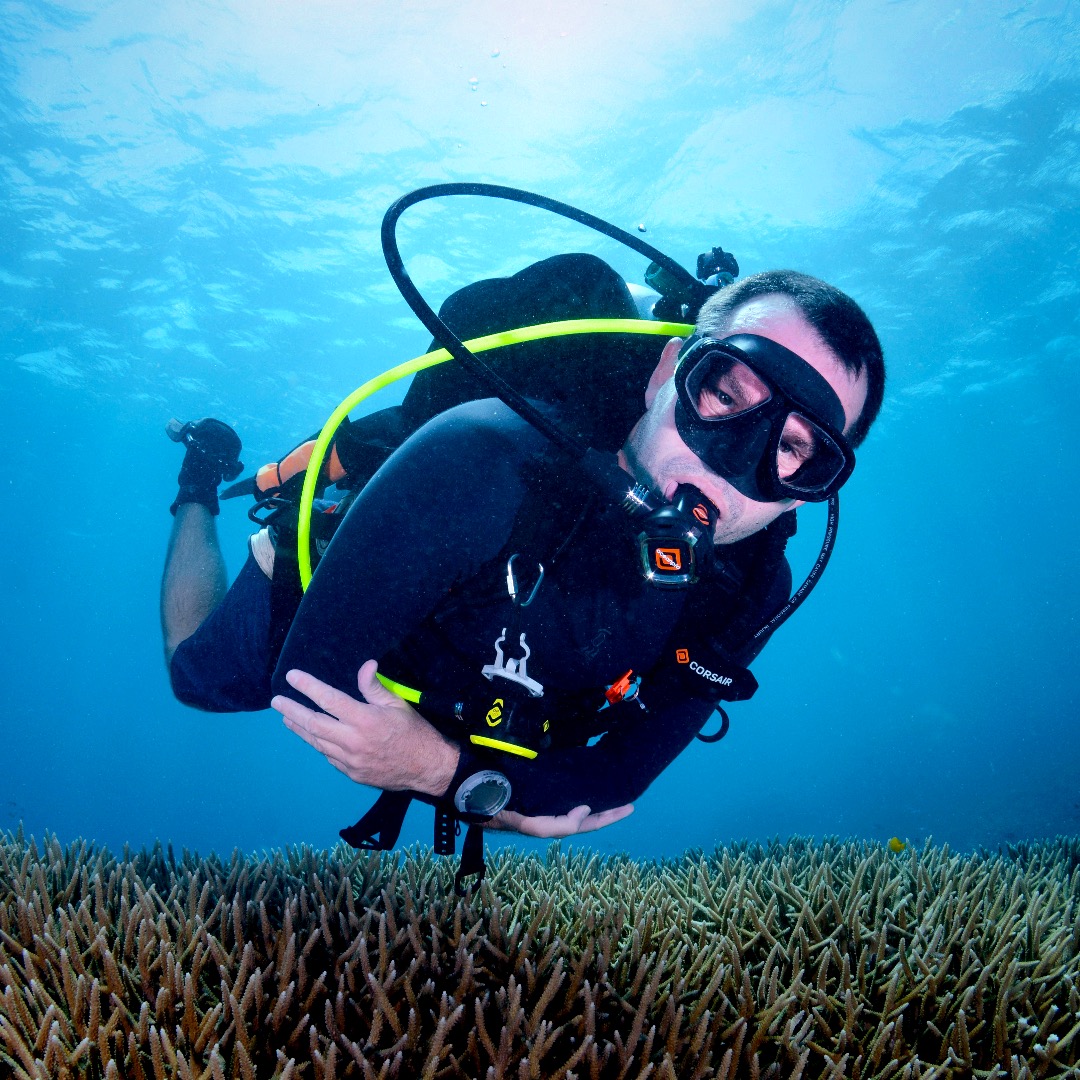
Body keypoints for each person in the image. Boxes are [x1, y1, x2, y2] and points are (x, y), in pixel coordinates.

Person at [161, 257, 884, 853]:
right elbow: (313, 684)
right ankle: (202, 473)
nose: (731, 466)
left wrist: (440, 769)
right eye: (724, 394)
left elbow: (612, 786)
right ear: (668, 371)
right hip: (378, 590)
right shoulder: (485, 452)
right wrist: (494, 791)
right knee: (200, 678)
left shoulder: (751, 585)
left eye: (794, 449)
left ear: (809, 493)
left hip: (479, 707)